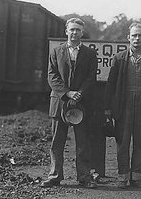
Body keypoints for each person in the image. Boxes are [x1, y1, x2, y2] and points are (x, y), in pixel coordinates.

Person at [41, 18, 98, 188]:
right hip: (59, 102)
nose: (74, 33)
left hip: (81, 103)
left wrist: (79, 93)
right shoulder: (56, 51)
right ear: (66, 31)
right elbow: (52, 76)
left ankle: (84, 177)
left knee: (83, 142)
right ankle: (55, 175)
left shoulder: (90, 53)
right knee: (57, 142)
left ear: (82, 32)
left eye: (78, 30)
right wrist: (68, 93)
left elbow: (91, 77)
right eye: (72, 29)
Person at [104, 23, 141, 189]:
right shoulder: (119, 58)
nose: (136, 39)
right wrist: (108, 108)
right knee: (123, 141)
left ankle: (136, 177)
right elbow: (111, 84)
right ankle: (122, 177)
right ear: (128, 38)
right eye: (133, 35)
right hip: (124, 103)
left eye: (139, 35)